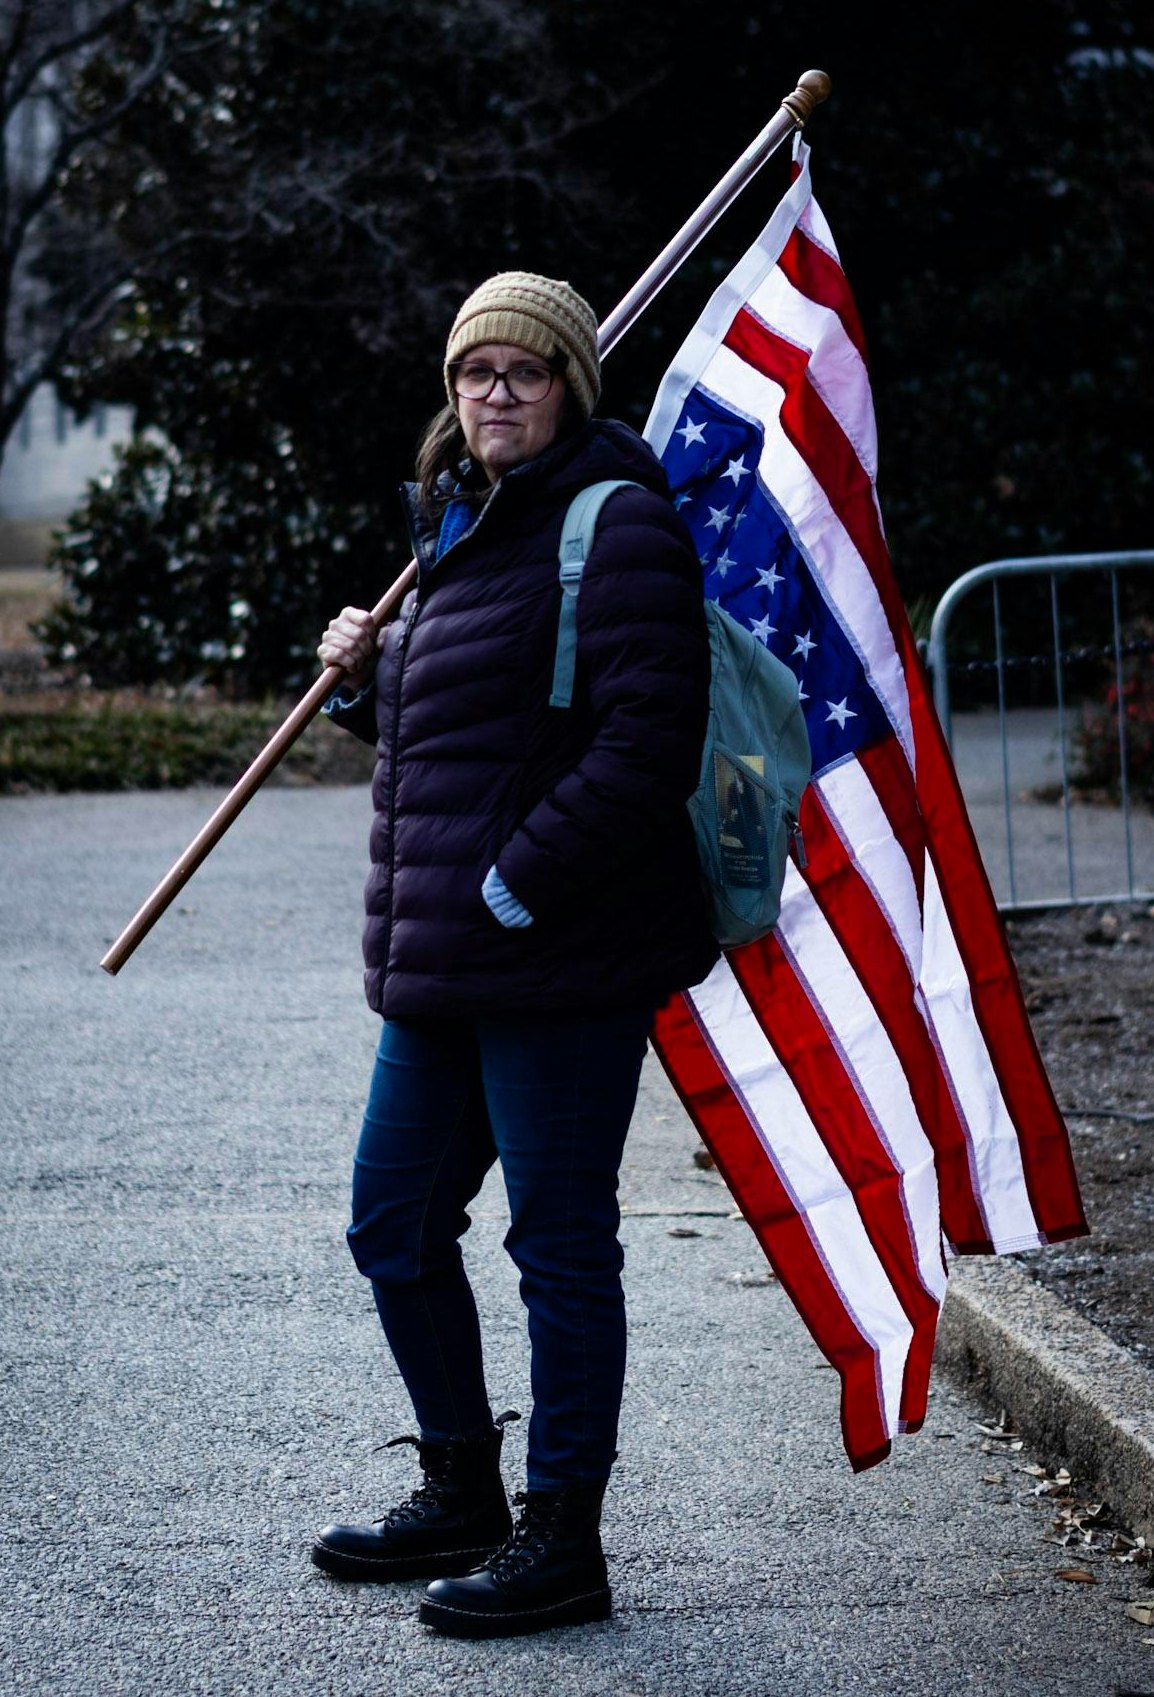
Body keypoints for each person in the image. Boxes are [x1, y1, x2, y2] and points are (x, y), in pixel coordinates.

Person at [310, 271, 718, 1638]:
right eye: (474, 371)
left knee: (559, 1245)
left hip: (561, 957)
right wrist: (369, 680)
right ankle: (461, 1490)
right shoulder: (458, 523)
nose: (495, 393)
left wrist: (515, 883)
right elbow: (467, 741)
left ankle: (563, 1540)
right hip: (448, 960)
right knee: (393, 1221)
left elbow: (648, 742)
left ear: (567, 389)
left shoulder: (617, 521)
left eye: (524, 371)